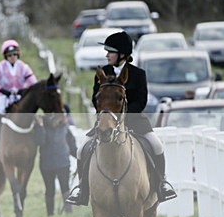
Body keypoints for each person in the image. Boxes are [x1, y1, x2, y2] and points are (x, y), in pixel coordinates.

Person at [66, 31, 177, 205]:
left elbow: (141, 101)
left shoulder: (138, 74)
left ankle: (162, 184)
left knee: (156, 145)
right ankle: (82, 188)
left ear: (122, 54)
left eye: (110, 52)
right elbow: (96, 98)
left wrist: (122, 116)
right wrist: (107, 115)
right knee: (82, 149)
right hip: (105, 122)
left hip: (135, 121)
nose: (107, 55)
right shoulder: (102, 73)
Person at [0, 39, 37, 142]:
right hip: (4, 97)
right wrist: (2, 90)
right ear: (5, 56)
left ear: (18, 54)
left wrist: (24, 90)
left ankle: (37, 134)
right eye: (9, 55)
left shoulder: (24, 67)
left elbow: (34, 83)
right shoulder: (0, 67)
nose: (12, 57)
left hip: (20, 97)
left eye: (15, 54)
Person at [34, 112, 77, 216]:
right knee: (50, 190)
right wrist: (40, 126)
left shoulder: (64, 125)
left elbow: (71, 143)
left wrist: (80, 157)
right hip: (47, 164)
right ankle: (50, 215)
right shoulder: (42, 126)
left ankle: (68, 213)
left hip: (63, 163)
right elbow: (40, 142)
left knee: (65, 188)